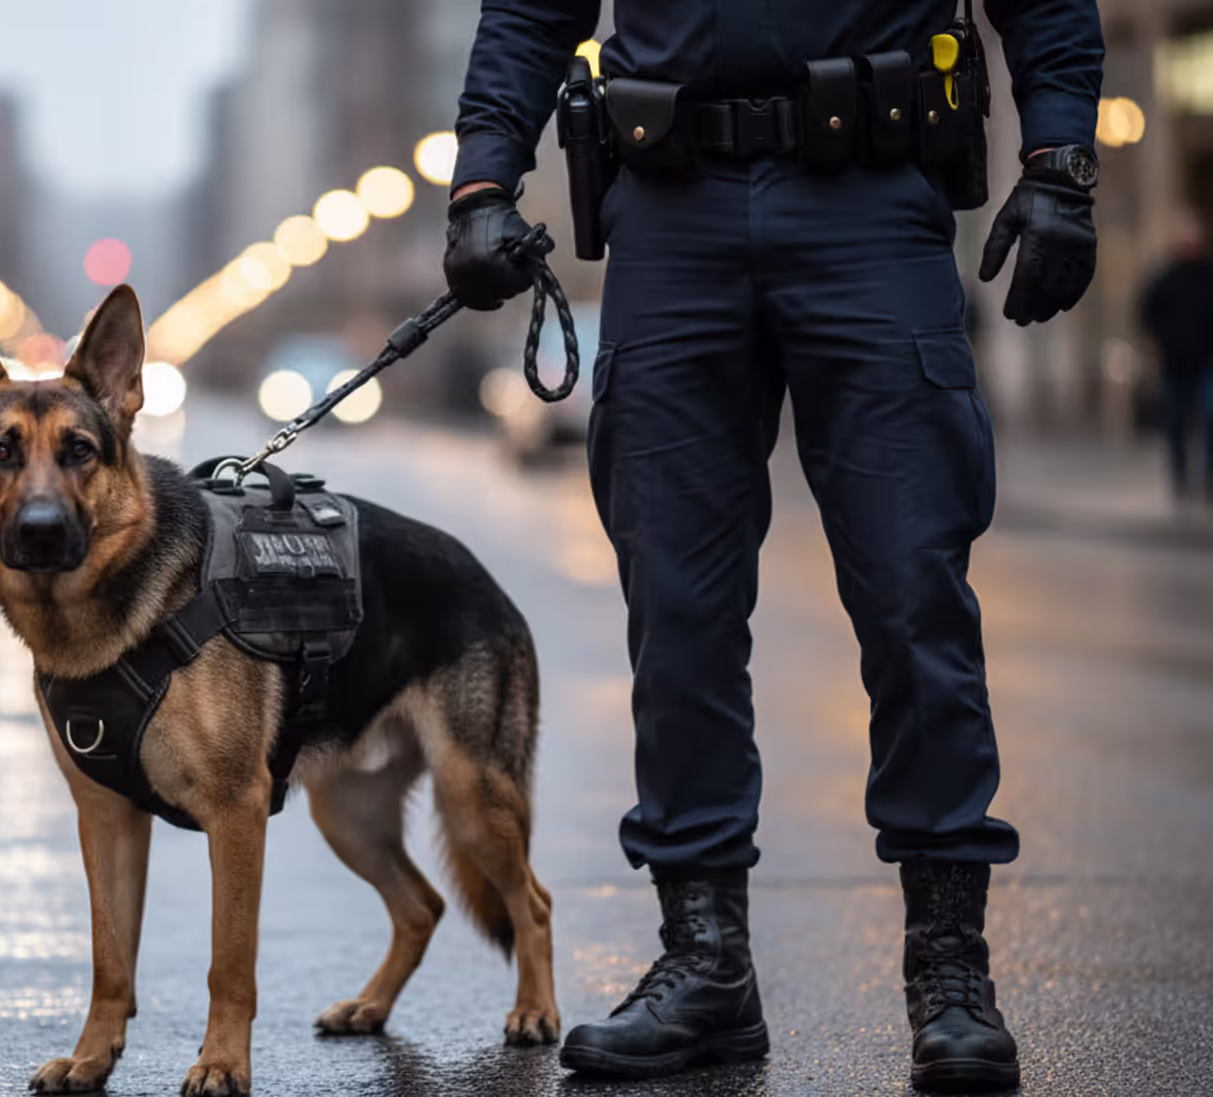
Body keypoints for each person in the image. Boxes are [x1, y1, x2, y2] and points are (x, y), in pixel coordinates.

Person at [442, 1, 1102, 1092]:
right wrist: (480, 181)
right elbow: (529, 10)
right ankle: (706, 964)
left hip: (874, 200)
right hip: (670, 206)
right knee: (678, 609)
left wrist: (1061, 160)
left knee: (912, 591)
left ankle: (950, 969)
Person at [1139, 214, 1213, 505]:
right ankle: (1181, 477)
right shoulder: (1166, 278)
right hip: (1175, 364)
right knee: (1174, 423)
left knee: (1212, 419)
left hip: (1209, 362)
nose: (1191, 246)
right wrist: (1163, 341)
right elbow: (1147, 313)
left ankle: (1211, 478)